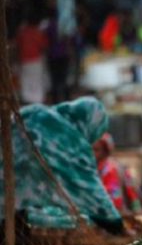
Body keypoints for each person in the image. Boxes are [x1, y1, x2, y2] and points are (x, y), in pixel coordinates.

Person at [0, 97, 122, 233]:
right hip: (8, 209)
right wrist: (116, 225)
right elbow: (90, 191)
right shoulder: (70, 138)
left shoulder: (35, 112)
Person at [93, 133, 142, 214]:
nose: (92, 153)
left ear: (105, 151)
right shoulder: (87, 167)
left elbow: (124, 193)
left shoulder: (110, 168)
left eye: (96, 150)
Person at [15, 11, 47, 104]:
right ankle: (38, 100)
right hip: (36, 59)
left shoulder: (22, 32)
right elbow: (43, 46)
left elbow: (18, 45)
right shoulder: (37, 32)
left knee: (26, 80)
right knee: (37, 80)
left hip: (25, 60)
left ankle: (27, 100)